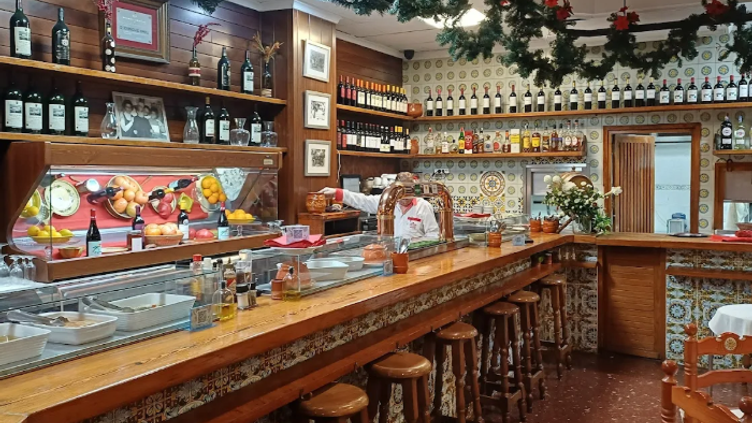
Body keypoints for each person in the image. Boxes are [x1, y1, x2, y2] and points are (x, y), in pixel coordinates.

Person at [319, 173, 440, 240]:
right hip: (390, 253)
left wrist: (415, 243)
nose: (405, 197)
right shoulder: (386, 202)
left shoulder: (424, 206)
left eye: (409, 192)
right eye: (401, 193)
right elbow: (362, 201)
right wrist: (337, 193)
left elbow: (434, 235)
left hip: (414, 255)